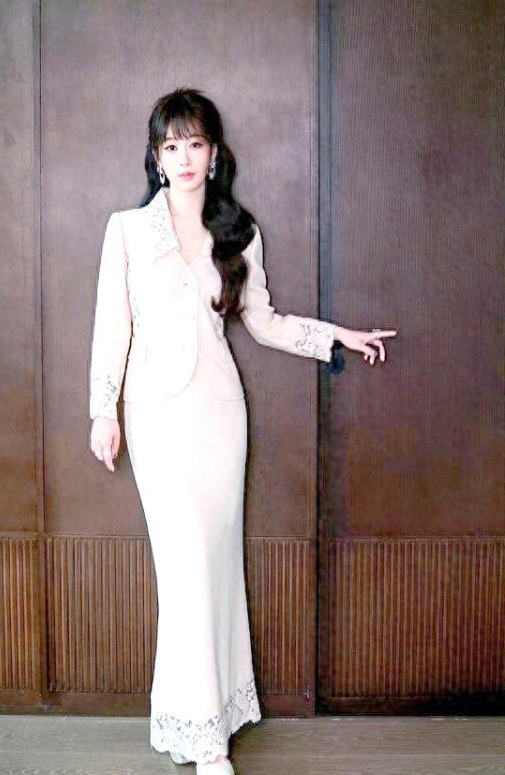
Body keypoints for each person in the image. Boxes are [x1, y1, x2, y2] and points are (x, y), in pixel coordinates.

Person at [89, 88, 396, 774]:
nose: (184, 158)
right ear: (156, 157)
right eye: (171, 146)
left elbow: (265, 322)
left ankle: (203, 725)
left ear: (214, 154)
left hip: (220, 417)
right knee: (184, 570)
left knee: (214, 566)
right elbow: (113, 324)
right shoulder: (127, 230)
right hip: (154, 417)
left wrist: (336, 337)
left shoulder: (239, 233)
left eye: (195, 144)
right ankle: (203, 737)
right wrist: (101, 410)